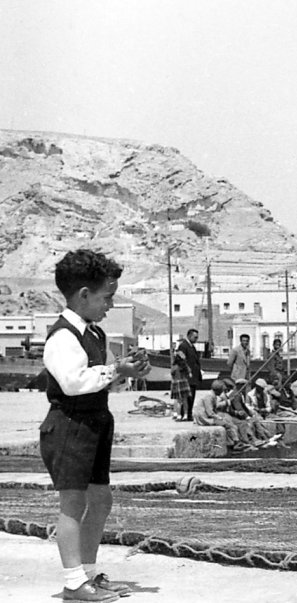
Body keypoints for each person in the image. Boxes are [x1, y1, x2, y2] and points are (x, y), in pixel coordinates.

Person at [38, 249, 149, 601]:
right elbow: (73, 383)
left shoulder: (94, 334)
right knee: (73, 504)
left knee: (100, 500)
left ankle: (87, 573)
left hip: (95, 423)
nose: (110, 305)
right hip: (70, 426)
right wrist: (116, 370)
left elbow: (100, 378)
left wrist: (125, 370)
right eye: (107, 297)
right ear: (84, 294)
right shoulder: (62, 336)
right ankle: (73, 583)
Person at [194, 381, 254, 452]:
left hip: (206, 417)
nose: (222, 392)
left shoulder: (212, 395)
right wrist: (220, 418)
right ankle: (236, 443)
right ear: (218, 389)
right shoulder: (209, 396)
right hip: (205, 419)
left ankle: (236, 442)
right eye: (221, 390)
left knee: (229, 423)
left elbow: (215, 406)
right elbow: (210, 413)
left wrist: (228, 402)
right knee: (229, 425)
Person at [174, 329, 202, 420]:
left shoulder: (192, 347)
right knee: (187, 396)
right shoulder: (183, 346)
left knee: (191, 396)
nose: (196, 339)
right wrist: (187, 372)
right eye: (195, 337)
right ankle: (184, 414)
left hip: (193, 376)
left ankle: (189, 413)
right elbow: (180, 360)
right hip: (187, 376)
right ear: (189, 336)